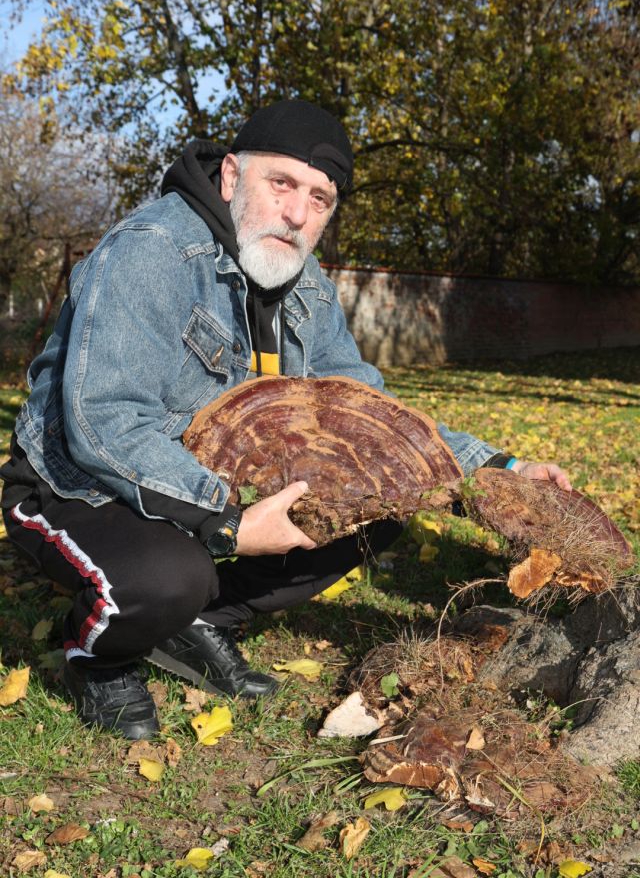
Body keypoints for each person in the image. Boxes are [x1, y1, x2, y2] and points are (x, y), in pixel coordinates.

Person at [0, 100, 570, 740]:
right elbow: (103, 424)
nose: (297, 213)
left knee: (379, 505)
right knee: (170, 577)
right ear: (231, 177)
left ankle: (201, 620)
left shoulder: (306, 284)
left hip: (199, 485)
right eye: (282, 184)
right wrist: (228, 523)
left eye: (319, 199)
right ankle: (98, 657)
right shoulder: (152, 252)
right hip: (79, 484)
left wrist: (499, 470)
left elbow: (371, 415)